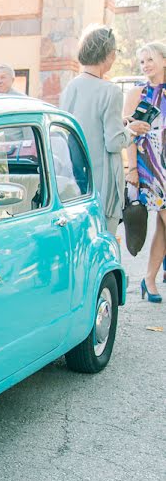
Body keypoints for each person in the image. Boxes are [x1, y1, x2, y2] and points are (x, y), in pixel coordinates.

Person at [61, 25, 149, 236]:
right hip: (102, 182)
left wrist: (121, 122)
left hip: (75, 180)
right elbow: (114, 142)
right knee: (104, 242)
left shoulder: (71, 87)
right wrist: (132, 130)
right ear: (108, 55)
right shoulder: (110, 91)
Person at [124, 41, 166, 302]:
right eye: (142, 61)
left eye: (150, 59)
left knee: (162, 227)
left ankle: (149, 279)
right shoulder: (137, 93)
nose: (146, 65)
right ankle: (149, 278)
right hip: (148, 167)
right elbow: (126, 133)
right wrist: (131, 169)